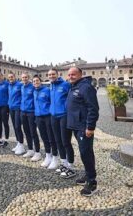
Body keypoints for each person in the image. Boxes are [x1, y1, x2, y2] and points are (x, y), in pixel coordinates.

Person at [67, 67, 99, 197]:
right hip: (76, 126)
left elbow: (93, 108)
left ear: (80, 74)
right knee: (84, 152)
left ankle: (92, 182)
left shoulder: (86, 87)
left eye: (73, 74)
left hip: (83, 127)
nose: (70, 76)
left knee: (86, 153)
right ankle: (88, 174)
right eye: (69, 74)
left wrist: (90, 127)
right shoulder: (74, 86)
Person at [48, 68, 75, 173]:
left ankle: (71, 165)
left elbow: (72, 99)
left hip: (64, 115)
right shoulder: (51, 85)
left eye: (53, 74)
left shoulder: (65, 85)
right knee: (57, 140)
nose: (51, 76)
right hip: (53, 116)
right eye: (49, 75)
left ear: (57, 74)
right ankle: (64, 162)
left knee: (66, 141)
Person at [32, 75, 58, 168]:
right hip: (38, 117)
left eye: (37, 80)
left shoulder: (47, 90)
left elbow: (52, 102)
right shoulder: (34, 91)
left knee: (51, 137)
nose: (35, 82)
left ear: (41, 81)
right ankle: (48, 156)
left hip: (47, 116)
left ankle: (55, 157)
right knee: (44, 137)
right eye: (34, 81)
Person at [20, 73, 40, 159]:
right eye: (23, 77)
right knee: (26, 132)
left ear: (28, 78)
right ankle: (30, 149)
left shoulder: (32, 87)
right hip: (23, 112)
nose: (24, 79)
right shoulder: (22, 87)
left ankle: (37, 152)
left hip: (31, 112)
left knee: (33, 132)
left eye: (26, 77)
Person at [8, 73, 24, 154]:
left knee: (18, 126)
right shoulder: (9, 85)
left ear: (15, 77)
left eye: (12, 77)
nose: (11, 78)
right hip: (11, 108)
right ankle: (18, 143)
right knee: (14, 126)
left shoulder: (19, 85)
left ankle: (21, 145)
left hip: (18, 108)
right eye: (9, 77)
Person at [0, 73, 9, 147]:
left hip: (4, 106)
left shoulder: (7, 84)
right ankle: (0, 139)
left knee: (5, 123)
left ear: (3, 77)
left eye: (0, 76)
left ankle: (6, 140)